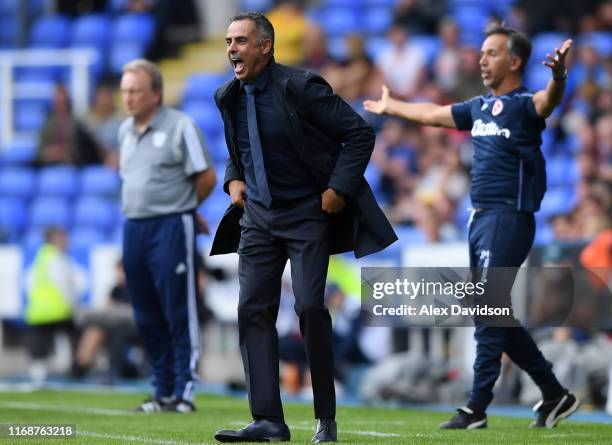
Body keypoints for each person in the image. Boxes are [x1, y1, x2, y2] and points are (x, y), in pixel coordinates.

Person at [364, 24, 579, 429]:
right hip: (480, 218)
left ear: (514, 61)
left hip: (509, 216)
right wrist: (393, 107)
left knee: (484, 306)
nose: (481, 59)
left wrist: (558, 76)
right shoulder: (478, 107)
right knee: (492, 310)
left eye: (492, 53)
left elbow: (547, 102)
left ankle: (476, 407)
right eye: (481, 53)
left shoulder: (522, 106)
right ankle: (554, 393)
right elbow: (431, 114)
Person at [211, 12, 397, 443]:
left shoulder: (300, 87)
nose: (231, 49)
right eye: (227, 41)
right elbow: (239, 146)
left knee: (310, 308)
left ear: (265, 46)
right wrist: (233, 178)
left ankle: (325, 419)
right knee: (252, 310)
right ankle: (268, 420)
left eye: (240, 41)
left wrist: (338, 189)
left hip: (306, 214)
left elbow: (358, 135)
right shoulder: (228, 96)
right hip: (257, 218)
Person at [118, 59, 217, 413]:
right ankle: (161, 390)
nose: (128, 98)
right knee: (145, 312)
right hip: (134, 227)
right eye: (125, 90)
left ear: (155, 94)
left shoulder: (181, 126)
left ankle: (184, 391)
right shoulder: (125, 131)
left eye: (135, 91)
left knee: (179, 309)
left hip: (171, 226)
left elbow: (206, 177)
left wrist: (185, 209)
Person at [25, 227, 85, 383]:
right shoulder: (56, 258)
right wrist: (74, 306)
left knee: (41, 344)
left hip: (39, 310)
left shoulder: (41, 257)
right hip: (57, 310)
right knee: (74, 335)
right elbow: (64, 285)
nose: (67, 241)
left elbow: (30, 283)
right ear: (54, 239)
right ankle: (75, 370)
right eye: (63, 238)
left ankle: (39, 375)